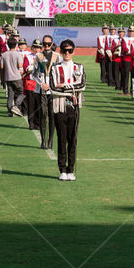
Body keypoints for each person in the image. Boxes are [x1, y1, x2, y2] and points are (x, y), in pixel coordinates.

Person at [48, 39, 84, 181]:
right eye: (64, 50)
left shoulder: (79, 67)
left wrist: (64, 87)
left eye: (69, 50)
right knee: (62, 139)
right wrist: (70, 89)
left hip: (73, 106)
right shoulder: (55, 68)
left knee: (72, 139)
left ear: (73, 51)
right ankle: (62, 169)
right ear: (60, 52)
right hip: (60, 105)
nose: (67, 53)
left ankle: (71, 169)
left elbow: (82, 85)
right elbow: (52, 87)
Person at [0, 36, 25, 117]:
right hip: (16, 77)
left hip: (8, 77)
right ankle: (16, 106)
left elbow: (2, 67)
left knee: (10, 94)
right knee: (22, 93)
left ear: (8, 44)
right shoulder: (18, 54)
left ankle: (9, 111)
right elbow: (20, 66)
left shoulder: (3, 55)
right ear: (16, 44)